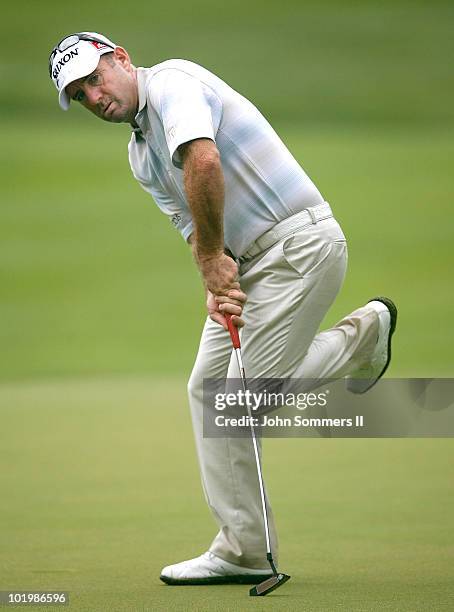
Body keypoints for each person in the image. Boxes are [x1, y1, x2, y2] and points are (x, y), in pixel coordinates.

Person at [48, 32, 397, 585]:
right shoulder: (139, 153)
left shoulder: (174, 85)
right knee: (206, 391)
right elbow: (194, 228)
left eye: (95, 78)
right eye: (80, 94)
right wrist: (215, 277)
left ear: (121, 60)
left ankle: (362, 335)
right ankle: (245, 549)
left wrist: (213, 255)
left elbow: (203, 160)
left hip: (300, 247)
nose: (94, 96)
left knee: (234, 403)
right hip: (252, 266)